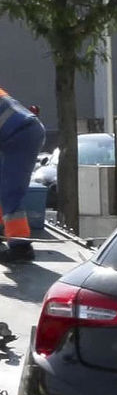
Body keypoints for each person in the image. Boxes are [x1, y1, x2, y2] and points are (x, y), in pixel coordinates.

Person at [0, 86, 44, 264]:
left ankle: (21, 247)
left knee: (10, 191)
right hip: (21, 133)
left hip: (20, 136)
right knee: (5, 188)